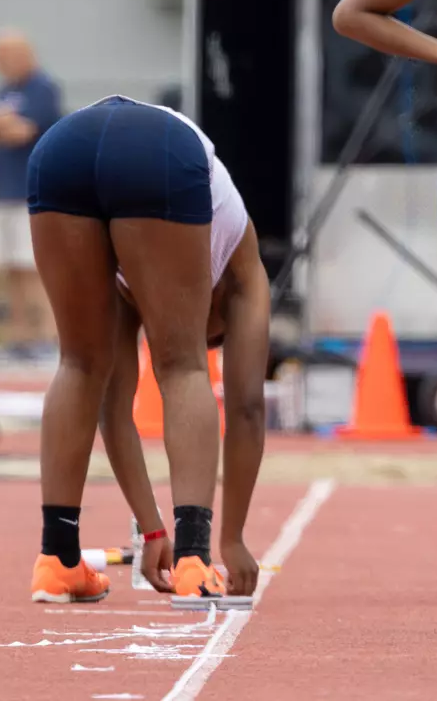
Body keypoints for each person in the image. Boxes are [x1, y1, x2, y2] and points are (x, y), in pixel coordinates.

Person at [27, 95, 269, 605]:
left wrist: (153, 530)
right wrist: (232, 539)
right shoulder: (245, 274)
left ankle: (58, 561)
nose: (209, 333)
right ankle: (196, 562)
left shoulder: (136, 281)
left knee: (78, 364)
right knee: (182, 366)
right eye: (215, 335)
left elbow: (114, 412)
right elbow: (246, 408)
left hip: (62, 148)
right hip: (154, 152)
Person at [0, 31, 62, 360]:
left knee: (35, 267)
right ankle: (19, 336)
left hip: (30, 192)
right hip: (2, 191)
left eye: (5, 56)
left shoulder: (42, 88)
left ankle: (49, 337)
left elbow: (22, 132)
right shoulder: (4, 91)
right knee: (10, 267)